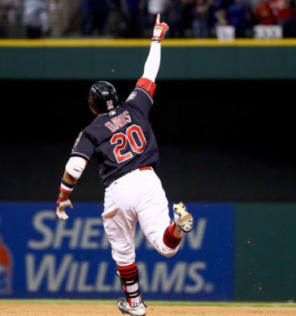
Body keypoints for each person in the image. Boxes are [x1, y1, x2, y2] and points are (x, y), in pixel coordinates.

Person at [55, 14, 193, 316]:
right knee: (166, 247)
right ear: (116, 97)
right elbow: (149, 73)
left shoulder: (92, 129)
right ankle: (177, 227)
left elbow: (75, 169)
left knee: (123, 252)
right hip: (147, 179)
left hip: (118, 187)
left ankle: (135, 304)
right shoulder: (135, 105)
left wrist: (64, 196)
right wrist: (156, 39)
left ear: (93, 106)